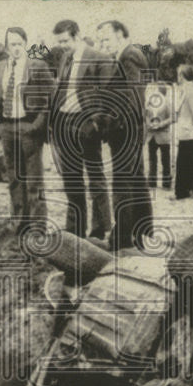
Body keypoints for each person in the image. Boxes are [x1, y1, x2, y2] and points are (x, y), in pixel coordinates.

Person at [50, 19, 112, 241]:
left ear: (77, 35)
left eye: (65, 40)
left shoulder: (99, 58)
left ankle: (100, 230)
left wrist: (95, 123)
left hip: (86, 125)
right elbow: (61, 88)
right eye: (59, 42)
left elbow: (107, 95)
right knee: (71, 180)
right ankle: (75, 231)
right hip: (65, 122)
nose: (62, 45)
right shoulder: (66, 57)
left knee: (95, 177)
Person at [95, 19, 154, 251]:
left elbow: (132, 98)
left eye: (106, 38)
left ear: (120, 34)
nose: (103, 43)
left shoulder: (129, 56)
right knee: (136, 181)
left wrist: (108, 124)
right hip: (129, 130)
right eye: (100, 40)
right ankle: (143, 234)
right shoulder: (124, 56)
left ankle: (122, 240)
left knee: (123, 184)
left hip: (126, 131)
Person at [0, 26, 55, 234]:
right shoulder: (0, 67)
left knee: (33, 179)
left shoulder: (37, 66)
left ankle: (38, 227)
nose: (16, 48)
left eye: (20, 43)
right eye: (12, 44)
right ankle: (19, 223)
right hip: (7, 127)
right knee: (14, 178)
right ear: (6, 47)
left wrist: (37, 124)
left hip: (28, 127)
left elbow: (51, 98)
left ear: (26, 44)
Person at [173, 64, 193, 200]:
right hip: (185, 131)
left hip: (190, 131)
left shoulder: (190, 90)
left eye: (179, 74)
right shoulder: (184, 90)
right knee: (187, 160)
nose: (177, 77)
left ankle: (185, 191)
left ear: (183, 75)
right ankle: (188, 190)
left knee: (186, 161)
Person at [145, 81, 174, 189]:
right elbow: (146, 115)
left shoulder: (167, 103)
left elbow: (172, 118)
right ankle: (152, 181)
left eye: (156, 90)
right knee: (152, 159)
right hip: (151, 135)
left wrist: (161, 124)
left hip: (163, 135)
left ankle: (166, 183)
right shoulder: (150, 102)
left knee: (165, 160)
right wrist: (149, 124)